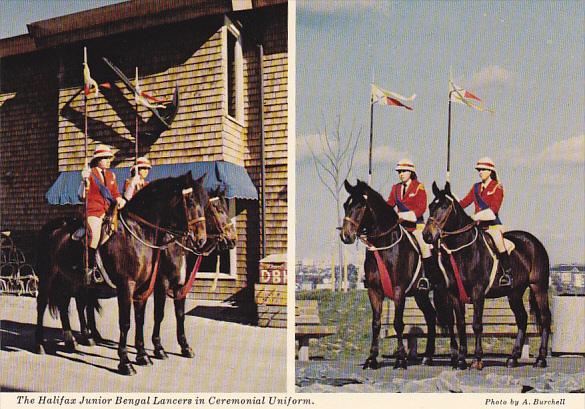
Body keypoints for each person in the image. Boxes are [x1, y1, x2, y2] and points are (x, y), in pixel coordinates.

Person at [459, 157, 511, 286]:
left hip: (492, 226)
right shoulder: (476, 187)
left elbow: (493, 210)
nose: (480, 172)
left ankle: (507, 273)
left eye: (483, 169)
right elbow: (465, 202)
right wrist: (451, 204)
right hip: (478, 227)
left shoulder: (497, 187)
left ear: (490, 170)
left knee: (499, 243)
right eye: (479, 170)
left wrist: (475, 217)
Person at [79, 144, 125, 285]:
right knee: (95, 235)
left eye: (109, 158)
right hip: (94, 211)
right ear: (98, 159)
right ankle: (89, 268)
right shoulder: (90, 174)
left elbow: (115, 193)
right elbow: (82, 196)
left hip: (110, 211)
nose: (108, 160)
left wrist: (119, 199)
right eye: (105, 158)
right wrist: (84, 180)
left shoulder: (112, 175)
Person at [386, 158, 434, 290]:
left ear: (411, 172)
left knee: (424, 247)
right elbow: (389, 205)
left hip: (416, 226)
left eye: (404, 171)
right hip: (401, 227)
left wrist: (402, 215)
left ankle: (427, 277)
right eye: (399, 171)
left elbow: (421, 208)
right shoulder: (395, 188)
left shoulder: (419, 187)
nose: (401, 174)